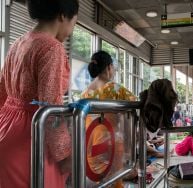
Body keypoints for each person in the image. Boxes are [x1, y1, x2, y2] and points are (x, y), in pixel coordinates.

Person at [0, 0, 78, 187]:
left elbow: (1, 91)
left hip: (5, 132)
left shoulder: (19, 43)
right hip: (32, 139)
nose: (71, 30)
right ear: (63, 15)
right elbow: (49, 108)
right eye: (74, 22)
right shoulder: (52, 47)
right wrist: (65, 154)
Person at [81, 50, 135, 187]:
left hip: (91, 146)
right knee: (115, 182)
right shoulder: (115, 89)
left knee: (101, 183)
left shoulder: (85, 93)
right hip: (111, 146)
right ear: (109, 67)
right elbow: (136, 106)